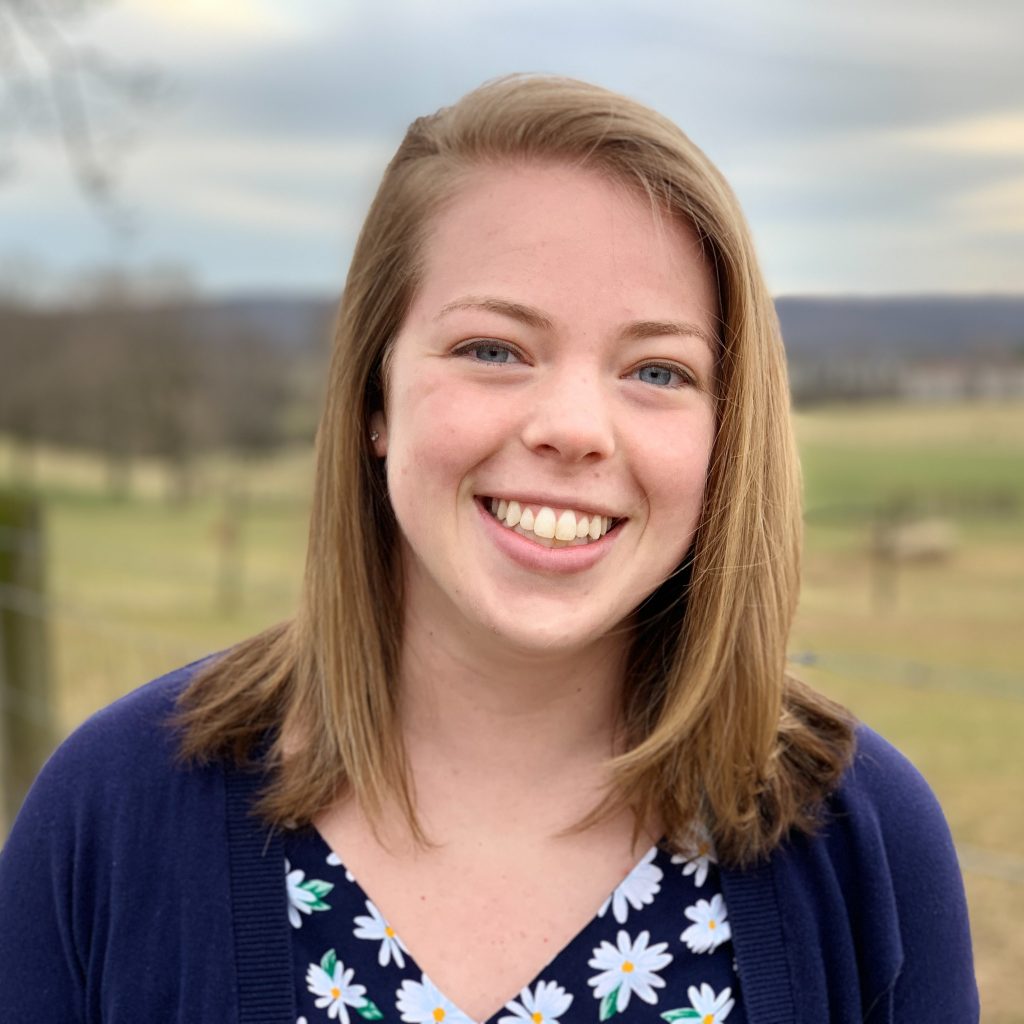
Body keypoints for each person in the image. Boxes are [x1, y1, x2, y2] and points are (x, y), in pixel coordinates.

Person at [0, 75, 977, 1024]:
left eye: (656, 370)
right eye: (494, 350)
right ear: (376, 396)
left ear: (727, 432)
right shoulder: (110, 813)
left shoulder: (863, 842)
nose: (573, 428)